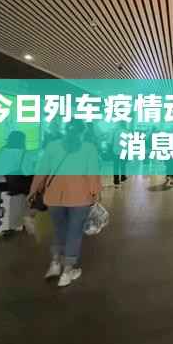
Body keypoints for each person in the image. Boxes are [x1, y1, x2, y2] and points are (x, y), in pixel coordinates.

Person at [27, 120, 102, 287]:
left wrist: (33, 191)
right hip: (80, 198)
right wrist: (96, 194)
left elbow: (42, 171)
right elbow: (92, 175)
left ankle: (55, 264)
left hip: (54, 197)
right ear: (83, 132)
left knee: (59, 230)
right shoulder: (89, 148)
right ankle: (67, 272)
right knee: (74, 233)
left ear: (65, 130)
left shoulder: (52, 146)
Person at [112, 121, 128, 188]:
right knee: (123, 165)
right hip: (123, 151)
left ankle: (116, 180)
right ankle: (123, 177)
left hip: (116, 151)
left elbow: (111, 141)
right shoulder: (127, 132)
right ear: (124, 124)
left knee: (116, 166)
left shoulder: (116, 132)